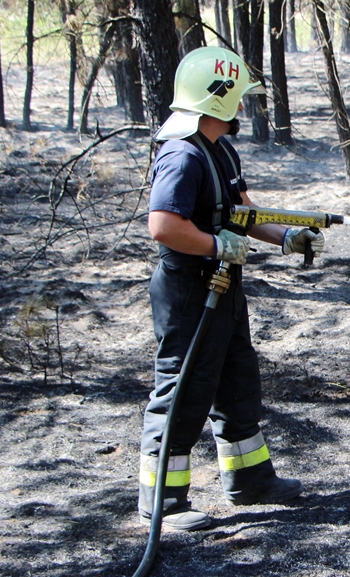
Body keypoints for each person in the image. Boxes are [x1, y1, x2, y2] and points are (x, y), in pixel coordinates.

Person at [138, 46, 325, 531]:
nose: (242, 104)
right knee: (184, 387)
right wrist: (215, 246)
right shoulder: (182, 155)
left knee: (236, 380)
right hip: (188, 290)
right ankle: (163, 502)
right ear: (217, 98)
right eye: (237, 96)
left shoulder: (219, 147)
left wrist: (287, 236)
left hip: (221, 286)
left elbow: (243, 212)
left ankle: (250, 481)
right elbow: (162, 226)